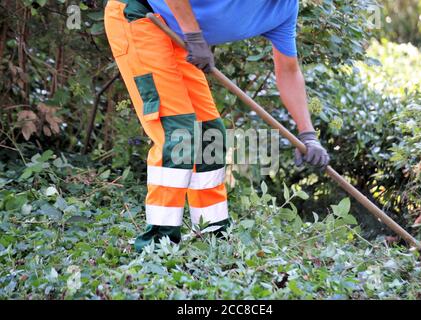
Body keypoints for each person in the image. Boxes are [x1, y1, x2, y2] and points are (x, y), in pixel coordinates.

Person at [103, 0, 330, 252]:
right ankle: (158, 245)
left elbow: (288, 70)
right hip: (140, 14)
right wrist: (194, 36)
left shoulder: (284, 9)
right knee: (179, 132)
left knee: (210, 132)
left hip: (176, 32)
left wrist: (308, 134)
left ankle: (211, 234)